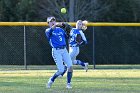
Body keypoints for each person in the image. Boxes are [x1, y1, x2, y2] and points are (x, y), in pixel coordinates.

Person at [45, 17, 73, 89]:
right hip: (56, 51)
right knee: (61, 70)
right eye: (51, 21)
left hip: (64, 50)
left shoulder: (60, 30)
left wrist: (68, 32)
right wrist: (58, 24)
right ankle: (51, 80)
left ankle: (68, 84)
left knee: (70, 66)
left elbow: (67, 37)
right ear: (48, 23)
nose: (53, 22)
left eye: (54, 20)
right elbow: (52, 29)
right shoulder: (48, 31)